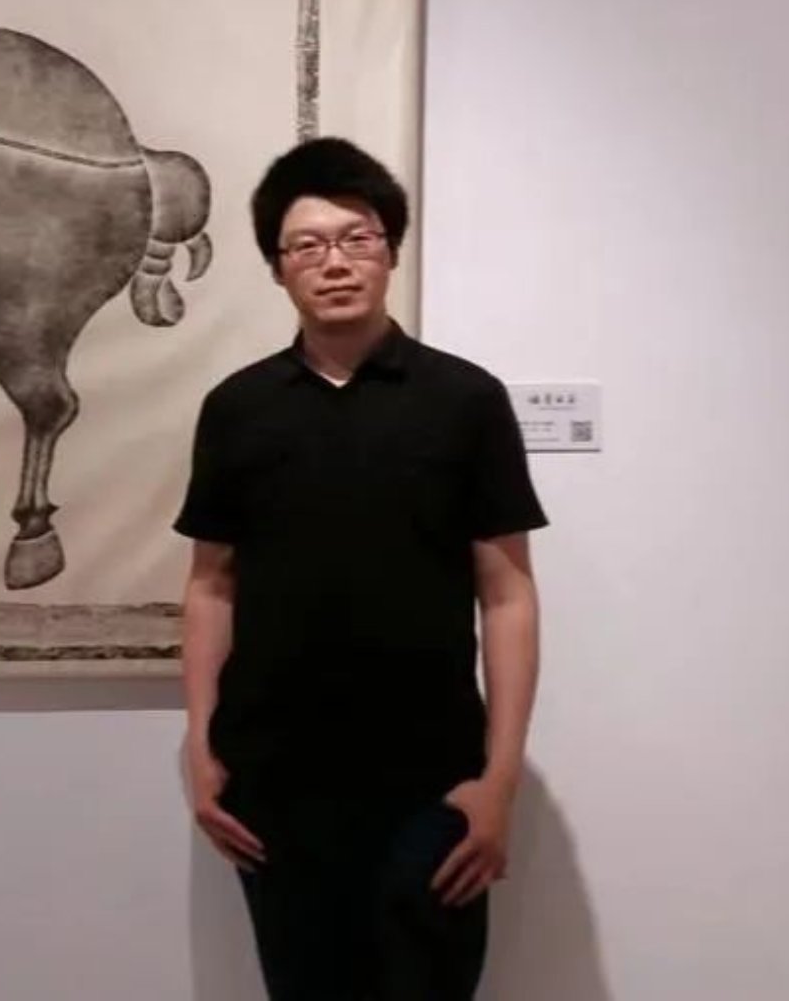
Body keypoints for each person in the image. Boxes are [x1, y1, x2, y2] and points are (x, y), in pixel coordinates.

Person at [175, 137, 545, 1000]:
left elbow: (507, 594)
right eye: (307, 245)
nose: (334, 263)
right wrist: (201, 746)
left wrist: (498, 780)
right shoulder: (236, 408)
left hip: (433, 780)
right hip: (274, 780)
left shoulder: (466, 401)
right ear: (277, 267)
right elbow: (210, 585)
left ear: (390, 252)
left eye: (357, 238)